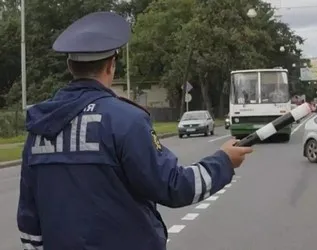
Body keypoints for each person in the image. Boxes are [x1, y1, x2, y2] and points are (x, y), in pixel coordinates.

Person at [16, 12, 253, 250]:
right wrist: (223, 162)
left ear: (70, 66)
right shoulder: (126, 120)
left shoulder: (40, 127)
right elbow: (174, 187)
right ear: (111, 66)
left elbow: (29, 220)